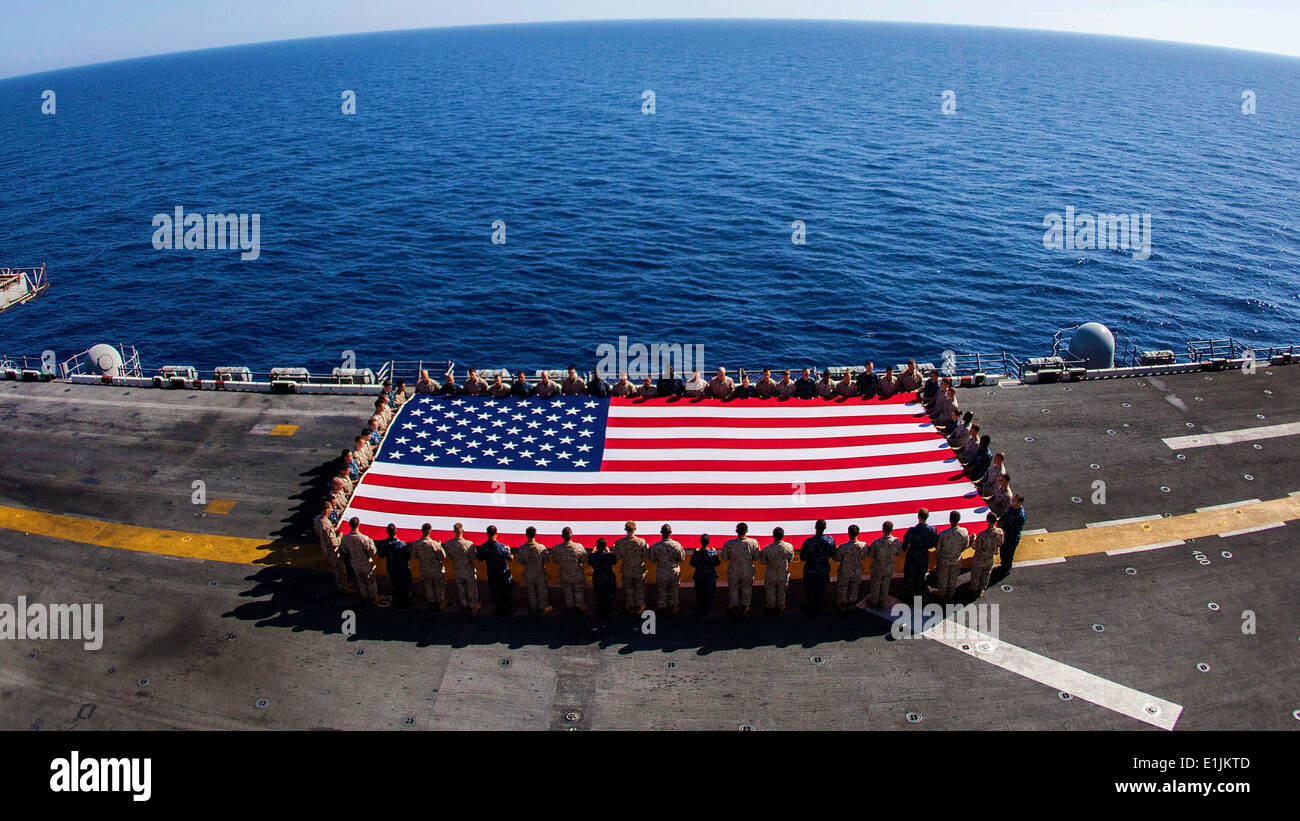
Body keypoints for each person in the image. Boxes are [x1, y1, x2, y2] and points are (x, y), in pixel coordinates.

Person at [341, 517, 383, 607]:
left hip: (355, 564)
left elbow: (345, 550)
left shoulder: (345, 538)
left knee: (361, 582)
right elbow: (371, 552)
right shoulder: (364, 538)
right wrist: (372, 544)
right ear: (359, 525)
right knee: (370, 582)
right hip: (366, 564)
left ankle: (365, 597)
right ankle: (373, 598)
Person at [721, 522, 760, 616]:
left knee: (733, 590)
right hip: (747, 570)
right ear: (746, 531)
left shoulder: (729, 543)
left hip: (733, 570)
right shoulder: (753, 542)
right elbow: (756, 557)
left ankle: (734, 607)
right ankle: (744, 608)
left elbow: (724, 557)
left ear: (736, 531)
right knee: (747, 589)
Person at [799, 519, 836, 613]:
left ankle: (810, 607)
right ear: (825, 528)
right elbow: (833, 554)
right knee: (821, 590)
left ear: (815, 527)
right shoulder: (830, 541)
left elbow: (803, 557)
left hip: (810, 570)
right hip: (823, 570)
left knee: (810, 590)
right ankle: (819, 606)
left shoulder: (808, 542)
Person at [477, 525, 515, 616]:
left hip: (492, 573)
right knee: (506, 592)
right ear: (496, 534)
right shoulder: (501, 547)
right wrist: (509, 550)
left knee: (495, 592)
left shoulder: (483, 547)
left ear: (487, 534)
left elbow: (479, 558)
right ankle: (507, 609)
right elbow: (510, 559)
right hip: (503, 574)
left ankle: (498, 608)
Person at [408, 523, 447, 610]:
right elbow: (442, 556)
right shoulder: (435, 544)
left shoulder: (416, 544)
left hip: (424, 568)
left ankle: (432, 601)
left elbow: (413, 556)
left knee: (428, 585)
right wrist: (439, 546)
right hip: (436, 569)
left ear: (422, 531)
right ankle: (439, 602)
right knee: (438, 586)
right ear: (430, 531)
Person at [312, 500, 349, 593]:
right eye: (329, 510)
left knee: (335, 568)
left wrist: (333, 529)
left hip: (325, 547)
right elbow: (334, 543)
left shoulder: (317, 519)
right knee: (340, 570)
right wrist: (340, 536)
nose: (331, 512)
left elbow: (317, 531)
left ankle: (342, 585)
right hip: (333, 551)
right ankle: (343, 588)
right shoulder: (327, 525)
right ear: (326, 510)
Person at [443, 522, 480, 614]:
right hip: (468, 570)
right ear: (463, 531)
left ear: (454, 531)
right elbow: (473, 558)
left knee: (461, 589)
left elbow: (448, 556)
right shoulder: (469, 544)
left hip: (457, 569)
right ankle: (472, 605)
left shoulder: (448, 544)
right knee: (471, 589)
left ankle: (465, 605)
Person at [614, 520, 650, 614]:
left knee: (629, 590)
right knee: (640, 590)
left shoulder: (620, 542)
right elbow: (646, 557)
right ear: (635, 529)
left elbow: (616, 557)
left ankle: (630, 607)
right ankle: (639, 607)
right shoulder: (641, 541)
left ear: (626, 529)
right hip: (639, 570)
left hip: (627, 570)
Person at [934, 511, 971, 601]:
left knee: (943, 578)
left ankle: (942, 595)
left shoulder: (943, 534)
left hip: (944, 560)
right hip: (956, 559)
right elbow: (966, 546)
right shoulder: (964, 532)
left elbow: (938, 548)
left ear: (950, 520)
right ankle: (950, 594)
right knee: (953, 577)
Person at [551, 527, 588, 615]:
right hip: (577, 573)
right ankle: (578, 607)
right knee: (578, 591)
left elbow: (555, 560)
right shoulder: (579, 547)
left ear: (562, 536)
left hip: (564, 573)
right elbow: (583, 559)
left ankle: (570, 607)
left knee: (567, 591)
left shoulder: (557, 548)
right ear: (572, 535)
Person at [649, 524, 685, 614]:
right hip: (674, 571)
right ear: (670, 533)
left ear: (662, 533)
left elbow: (652, 560)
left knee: (662, 592)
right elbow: (682, 559)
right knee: (674, 591)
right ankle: (673, 609)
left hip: (662, 571)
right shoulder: (677, 545)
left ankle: (663, 609)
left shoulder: (655, 546)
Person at [515, 526, 552, 615]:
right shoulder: (541, 547)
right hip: (540, 573)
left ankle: (534, 607)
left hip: (529, 573)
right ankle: (542, 608)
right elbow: (547, 560)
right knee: (541, 591)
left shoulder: (522, 548)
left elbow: (520, 561)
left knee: (531, 591)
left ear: (526, 535)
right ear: (535, 535)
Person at [901, 509, 938, 597]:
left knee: (910, 578)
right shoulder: (932, 530)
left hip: (912, 557)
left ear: (918, 516)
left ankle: (909, 596)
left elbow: (904, 547)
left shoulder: (912, 531)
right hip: (923, 557)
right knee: (920, 578)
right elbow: (933, 544)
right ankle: (918, 596)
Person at [377, 522, 413, 609]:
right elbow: (408, 556)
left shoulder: (384, 544)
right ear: (396, 531)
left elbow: (381, 554)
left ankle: (398, 602)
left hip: (392, 568)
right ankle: (406, 603)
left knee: (396, 586)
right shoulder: (402, 545)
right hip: (403, 569)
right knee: (405, 586)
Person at [866, 522, 901, 608]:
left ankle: (874, 601)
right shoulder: (896, 542)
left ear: (883, 529)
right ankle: (882, 600)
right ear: (892, 530)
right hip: (889, 567)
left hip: (878, 567)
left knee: (876, 584)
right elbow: (898, 552)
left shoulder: (876, 542)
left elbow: (870, 555)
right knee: (885, 584)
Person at [761, 526, 795, 613]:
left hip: (771, 572)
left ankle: (770, 606)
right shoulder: (789, 546)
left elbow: (763, 561)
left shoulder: (766, 548)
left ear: (773, 535)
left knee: (770, 592)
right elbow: (790, 559)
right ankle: (780, 606)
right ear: (783, 535)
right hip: (782, 572)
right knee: (782, 592)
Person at [969, 513, 1003, 597]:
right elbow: (1000, 543)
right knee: (986, 574)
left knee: (976, 574)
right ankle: (981, 589)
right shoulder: (1000, 532)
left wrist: (974, 539)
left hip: (979, 558)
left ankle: (973, 589)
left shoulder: (982, 535)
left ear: (987, 520)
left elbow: (975, 547)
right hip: (990, 557)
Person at [835, 524, 867, 610]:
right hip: (857, 570)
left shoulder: (843, 547)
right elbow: (864, 557)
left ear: (848, 533)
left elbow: (837, 559)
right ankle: (851, 604)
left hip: (845, 570)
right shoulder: (863, 545)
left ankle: (843, 604)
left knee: (843, 587)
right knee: (854, 587)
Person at [689, 534, 721, 616]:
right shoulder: (712, 553)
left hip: (699, 577)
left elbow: (692, 563)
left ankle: (700, 610)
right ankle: (707, 610)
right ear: (709, 542)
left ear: (700, 542)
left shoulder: (697, 553)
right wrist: (714, 552)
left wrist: (696, 552)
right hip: (710, 577)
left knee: (700, 594)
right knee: (709, 594)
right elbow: (717, 563)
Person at [997, 495, 1028, 576]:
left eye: (1015, 501)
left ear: (1020, 502)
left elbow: (1016, 530)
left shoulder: (1020, 515)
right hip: (1006, 534)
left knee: (1009, 555)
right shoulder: (1012, 508)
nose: (1013, 502)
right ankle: (1003, 565)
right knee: (1003, 552)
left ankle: (1006, 569)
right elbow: (1004, 516)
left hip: (1012, 538)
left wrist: (1004, 530)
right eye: (1013, 500)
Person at [589, 538, 619, 616]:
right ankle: (609, 610)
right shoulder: (609, 555)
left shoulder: (593, 556)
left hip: (598, 578)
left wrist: (593, 551)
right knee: (609, 595)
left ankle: (600, 610)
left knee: (599, 595)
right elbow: (614, 561)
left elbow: (589, 561)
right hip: (609, 578)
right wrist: (609, 551)